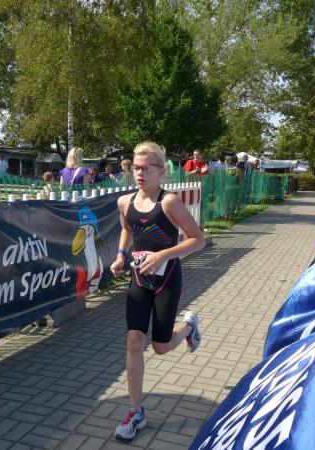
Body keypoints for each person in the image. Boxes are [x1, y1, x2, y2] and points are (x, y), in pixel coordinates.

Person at [110, 141, 205, 441]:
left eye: (147, 168)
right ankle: (136, 412)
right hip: (140, 279)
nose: (139, 173)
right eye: (136, 167)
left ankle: (188, 327)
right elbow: (128, 229)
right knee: (134, 341)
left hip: (167, 280)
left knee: (160, 347)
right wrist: (121, 255)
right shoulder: (124, 202)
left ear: (161, 172)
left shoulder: (169, 202)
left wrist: (163, 255)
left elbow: (198, 239)